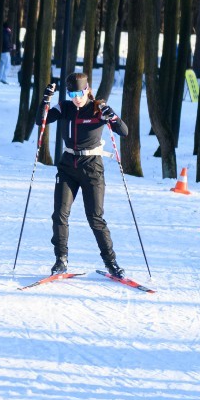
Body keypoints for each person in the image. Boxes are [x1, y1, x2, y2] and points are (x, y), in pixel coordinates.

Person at [37, 72, 128, 278]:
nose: (76, 97)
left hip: (91, 167)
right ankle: (61, 260)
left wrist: (111, 115)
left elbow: (123, 131)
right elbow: (40, 121)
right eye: (71, 93)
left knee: (95, 217)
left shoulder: (97, 108)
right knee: (60, 214)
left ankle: (111, 262)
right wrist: (45, 100)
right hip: (68, 165)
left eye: (79, 92)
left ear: (87, 90)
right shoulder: (65, 107)